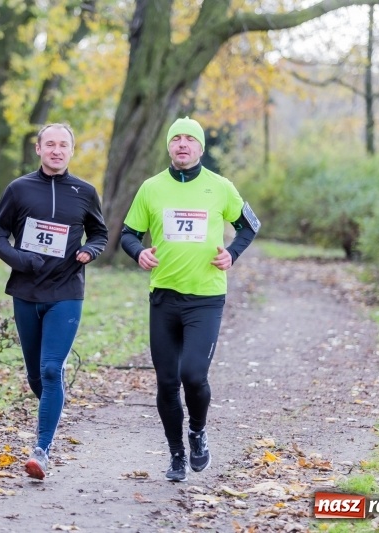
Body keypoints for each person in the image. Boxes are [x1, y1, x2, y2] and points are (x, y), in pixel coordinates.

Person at [120, 116, 260, 482]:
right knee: (167, 382)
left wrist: (233, 253)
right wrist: (139, 253)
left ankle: (197, 433)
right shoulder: (151, 188)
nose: (182, 144)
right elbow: (128, 233)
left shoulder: (220, 187)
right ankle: (177, 454)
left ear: (199, 147)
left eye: (189, 139)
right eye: (176, 139)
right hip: (164, 297)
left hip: (206, 297)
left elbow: (250, 225)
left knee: (193, 375)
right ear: (169, 146)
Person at [0, 123, 108, 480]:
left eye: (64, 145)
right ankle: (53, 410)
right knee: (36, 376)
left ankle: (42, 450)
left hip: (67, 292)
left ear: (71, 151)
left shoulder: (84, 192)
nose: (57, 151)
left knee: (52, 369)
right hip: (26, 293)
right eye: (50, 144)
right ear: (38, 149)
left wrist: (90, 250)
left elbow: (100, 232)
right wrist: (22, 260)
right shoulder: (19, 189)